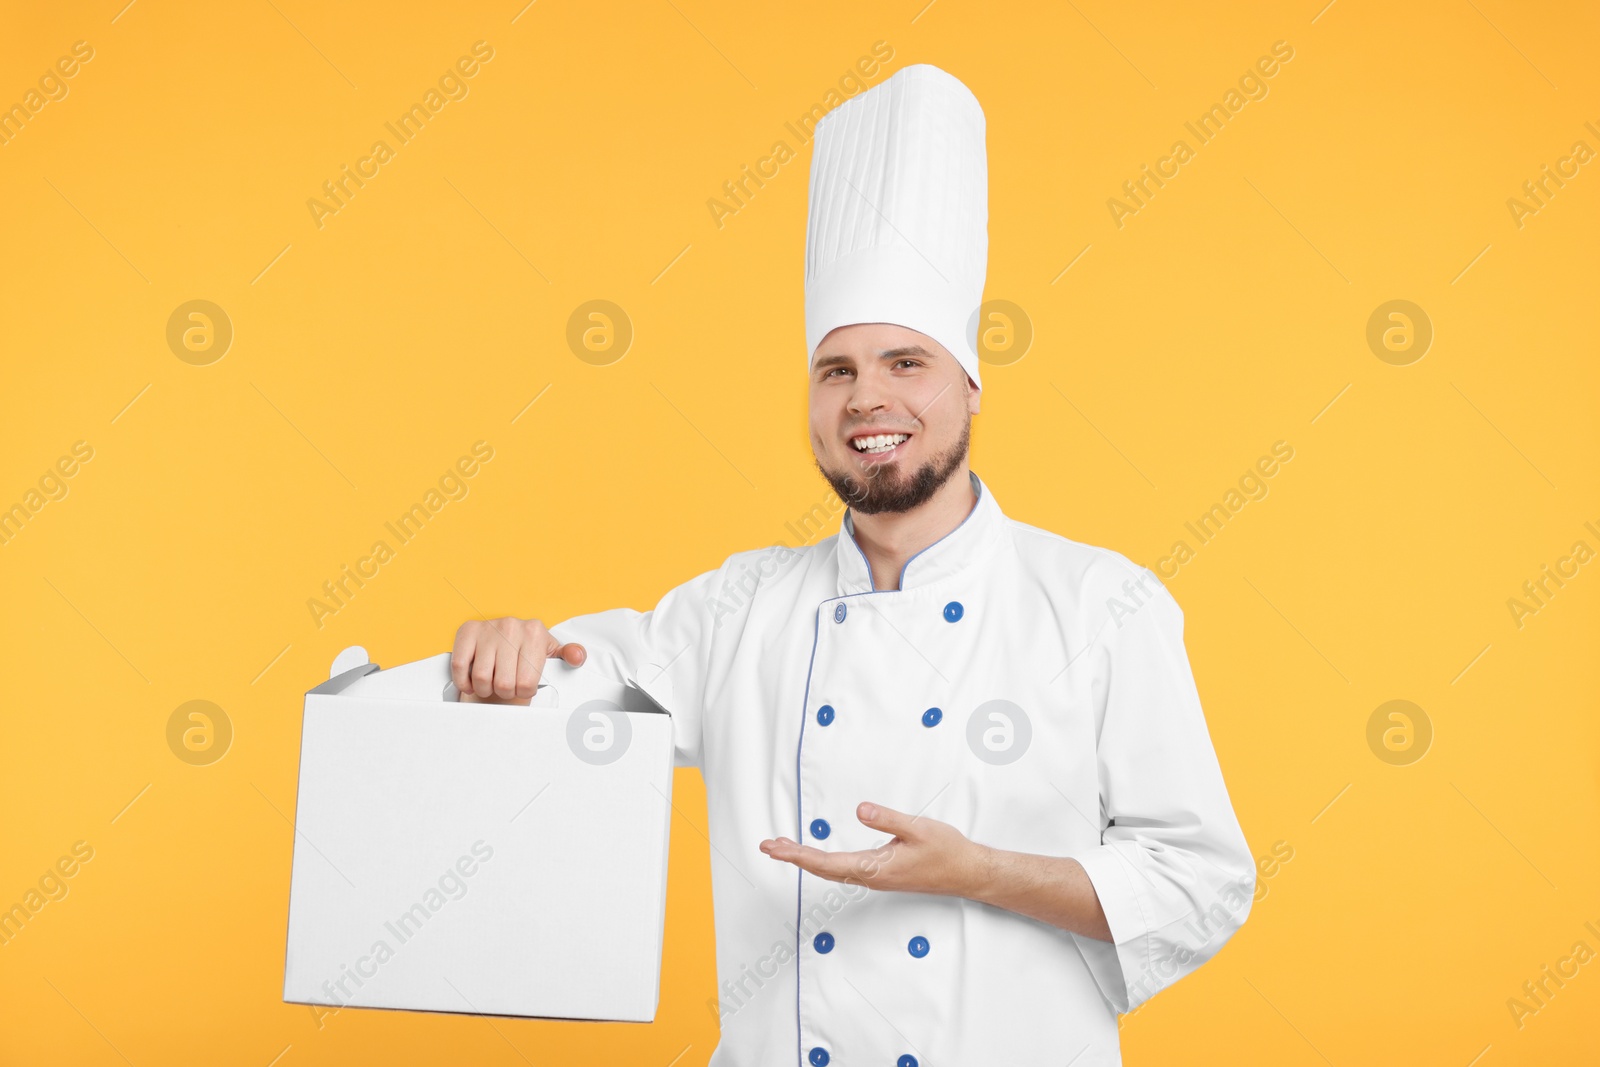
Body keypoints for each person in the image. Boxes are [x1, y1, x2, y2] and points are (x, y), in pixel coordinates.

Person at [451, 63, 1254, 1067]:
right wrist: (503, 652)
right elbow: (557, 697)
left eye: (904, 362)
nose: (866, 398)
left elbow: (1201, 881)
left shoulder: (1101, 605)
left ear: (969, 386)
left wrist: (981, 871)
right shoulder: (729, 611)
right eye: (836, 370)